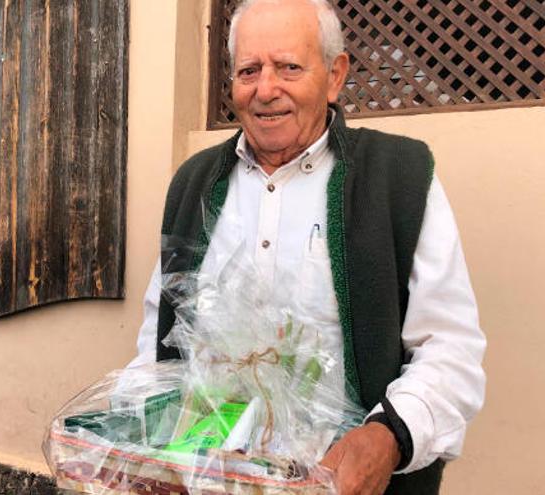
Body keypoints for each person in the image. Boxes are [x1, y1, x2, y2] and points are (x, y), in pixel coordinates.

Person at [129, 0, 486, 493]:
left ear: (335, 75)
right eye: (249, 70)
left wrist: (389, 437)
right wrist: (128, 435)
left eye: (289, 67)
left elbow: (451, 348)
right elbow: (158, 343)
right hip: (205, 479)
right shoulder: (194, 183)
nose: (266, 89)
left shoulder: (397, 177)